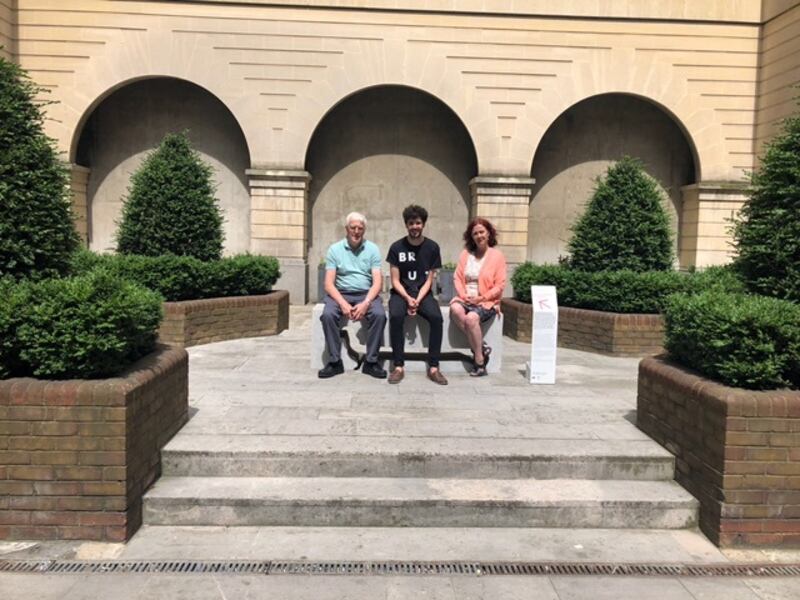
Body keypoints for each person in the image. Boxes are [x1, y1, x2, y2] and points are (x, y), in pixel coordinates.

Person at [318, 212, 387, 379]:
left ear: (364, 230)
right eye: (353, 228)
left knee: (379, 315)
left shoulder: (372, 249)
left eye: (360, 228)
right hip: (340, 293)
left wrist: (366, 303)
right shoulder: (335, 249)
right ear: (346, 229)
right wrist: (342, 303)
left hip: (366, 293)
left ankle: (371, 362)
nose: (356, 231)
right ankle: (335, 362)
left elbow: (377, 282)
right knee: (327, 315)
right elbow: (328, 284)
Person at [386, 205, 447, 385]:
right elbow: (395, 280)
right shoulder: (396, 247)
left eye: (418, 223)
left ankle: (434, 367)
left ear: (423, 224)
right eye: (411, 223)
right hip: (401, 293)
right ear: (406, 225)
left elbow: (430, 279)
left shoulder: (432, 247)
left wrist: (418, 300)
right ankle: (398, 366)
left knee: (436, 318)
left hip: (423, 294)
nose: (415, 226)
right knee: (396, 315)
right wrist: (407, 298)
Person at [450, 217, 506, 377]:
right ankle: (481, 347)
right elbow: (457, 278)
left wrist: (481, 298)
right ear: (471, 236)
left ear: (489, 234)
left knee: (471, 319)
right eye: (475, 233)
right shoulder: (465, 254)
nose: (479, 236)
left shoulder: (497, 256)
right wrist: (463, 295)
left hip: (486, 301)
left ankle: (479, 362)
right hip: (466, 298)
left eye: (482, 232)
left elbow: (500, 285)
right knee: (454, 308)